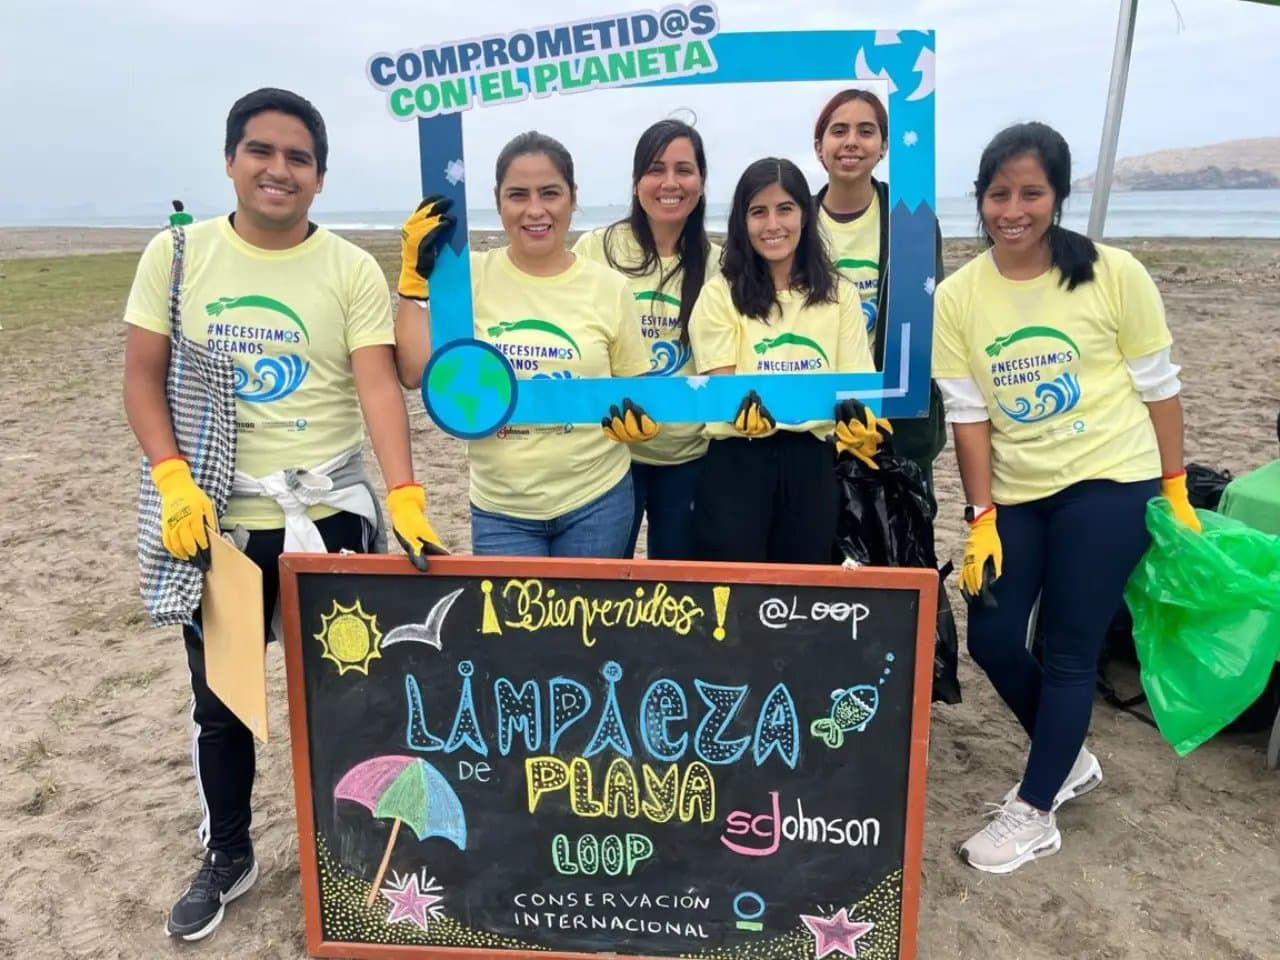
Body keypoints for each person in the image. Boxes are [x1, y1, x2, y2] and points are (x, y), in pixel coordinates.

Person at [123, 87, 445, 940]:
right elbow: (141, 376)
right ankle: (229, 852)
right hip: (222, 525)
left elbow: (380, 383)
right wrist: (172, 480)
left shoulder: (345, 267)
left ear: (320, 176)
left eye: (298, 158)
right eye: (262, 151)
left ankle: (349, 855)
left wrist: (404, 492)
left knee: (344, 700)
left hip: (329, 522)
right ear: (231, 160)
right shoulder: (179, 254)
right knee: (223, 705)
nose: (278, 169)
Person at [931, 121, 1201, 874]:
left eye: (1031, 193)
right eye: (998, 194)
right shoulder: (960, 295)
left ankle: (1036, 807)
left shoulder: (1113, 273)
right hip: (1018, 491)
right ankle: (1068, 757)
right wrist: (982, 514)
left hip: (1109, 481)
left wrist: (1174, 488)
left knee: (1069, 648)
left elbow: (1160, 389)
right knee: (989, 636)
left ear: (1057, 196)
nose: (1012, 210)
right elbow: (969, 415)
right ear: (979, 198)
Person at [395, 131, 656, 557]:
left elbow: (637, 393)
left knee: (585, 626)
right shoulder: (464, 277)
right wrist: (413, 286)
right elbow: (413, 372)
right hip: (500, 508)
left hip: (596, 500)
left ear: (573, 199)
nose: (535, 210)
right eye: (518, 195)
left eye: (550, 193)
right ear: (498, 201)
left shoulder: (610, 288)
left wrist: (640, 422)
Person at [688, 157, 876, 563]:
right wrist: (743, 410)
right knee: (733, 596)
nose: (773, 225)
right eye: (759, 212)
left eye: (785, 209)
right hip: (737, 461)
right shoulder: (720, 295)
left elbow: (855, 385)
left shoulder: (840, 294)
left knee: (801, 596)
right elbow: (726, 390)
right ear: (742, 221)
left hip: (813, 461)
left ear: (805, 216)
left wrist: (862, 426)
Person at [572, 118, 720, 559]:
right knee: (605, 590)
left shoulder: (721, 262)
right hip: (609, 457)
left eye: (684, 170)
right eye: (656, 169)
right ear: (637, 182)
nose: (670, 182)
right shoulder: (596, 249)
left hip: (690, 457)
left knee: (675, 594)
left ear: (702, 182)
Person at [812, 88, 946, 511]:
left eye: (866, 131)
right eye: (839, 130)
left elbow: (931, 316)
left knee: (902, 547)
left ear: (884, 146)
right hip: (820, 415)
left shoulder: (913, 219)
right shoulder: (795, 222)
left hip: (898, 418)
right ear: (819, 147)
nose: (851, 141)